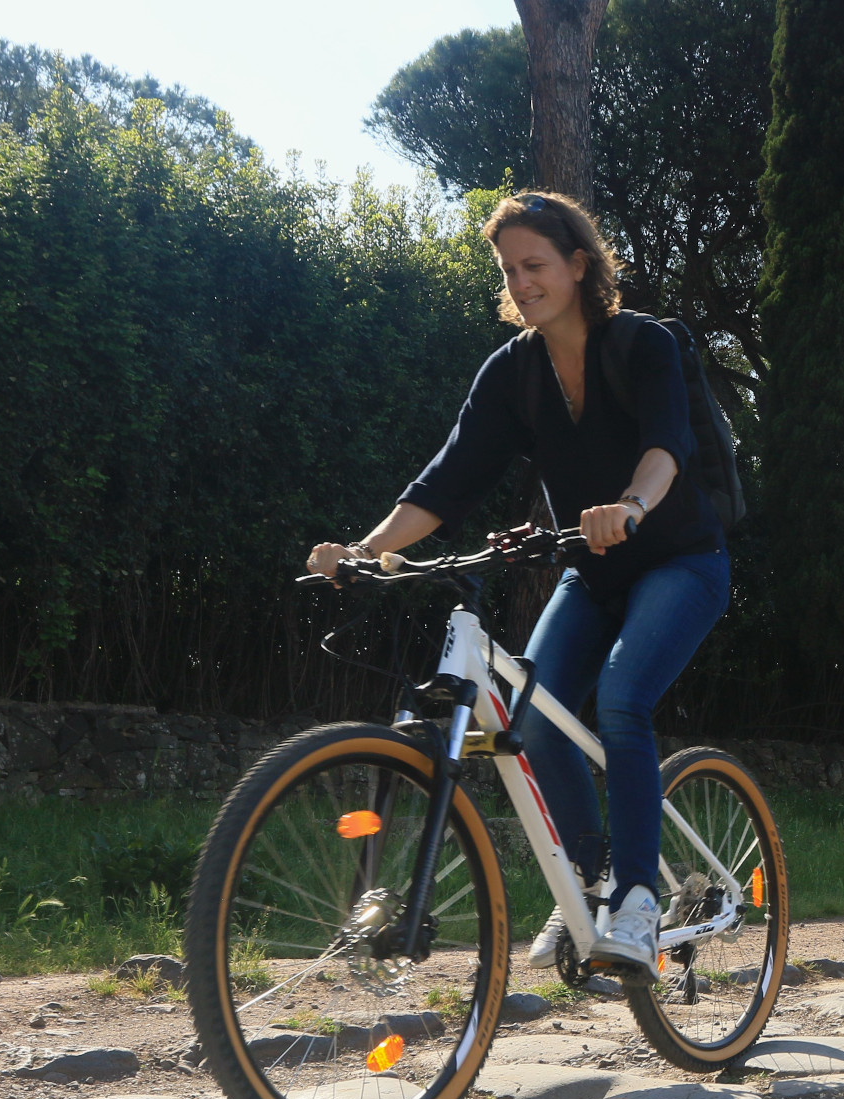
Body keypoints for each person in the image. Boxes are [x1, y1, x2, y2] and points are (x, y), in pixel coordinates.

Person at [308, 191, 726, 975]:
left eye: (535, 265)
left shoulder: (640, 344)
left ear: (577, 265)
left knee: (624, 698)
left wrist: (631, 506)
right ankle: (593, 884)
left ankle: (637, 900)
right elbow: (447, 481)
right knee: (533, 721)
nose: (521, 282)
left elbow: (667, 447)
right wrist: (364, 550)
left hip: (680, 560)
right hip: (592, 573)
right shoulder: (512, 372)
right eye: (509, 269)